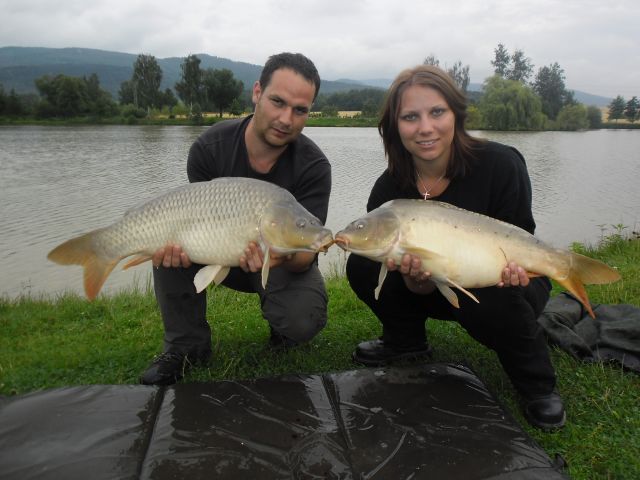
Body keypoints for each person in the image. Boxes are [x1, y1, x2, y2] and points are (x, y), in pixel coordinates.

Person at [345, 65, 565, 430]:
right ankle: (406, 342)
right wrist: (418, 282)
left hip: (509, 280)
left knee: (491, 295)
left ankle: (538, 385)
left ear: (456, 115)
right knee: (363, 264)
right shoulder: (389, 190)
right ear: (395, 127)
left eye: (437, 112)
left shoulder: (501, 165)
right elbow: (409, 276)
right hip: (437, 283)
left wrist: (517, 274)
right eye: (410, 117)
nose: (425, 128)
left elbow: (521, 236)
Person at [140, 52, 331, 386]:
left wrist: (282, 253)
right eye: (277, 102)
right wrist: (178, 247)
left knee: (302, 321)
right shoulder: (209, 148)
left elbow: (307, 253)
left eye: (299, 110)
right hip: (214, 250)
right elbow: (191, 215)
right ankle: (186, 347)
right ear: (257, 93)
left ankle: (283, 330)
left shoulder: (314, 166)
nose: (286, 118)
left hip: (278, 261)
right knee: (168, 244)